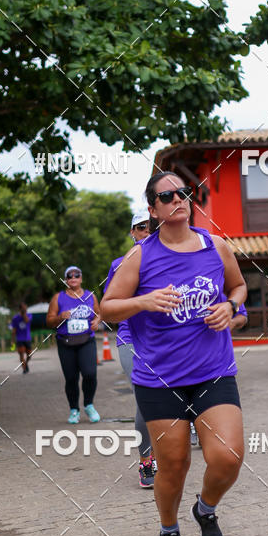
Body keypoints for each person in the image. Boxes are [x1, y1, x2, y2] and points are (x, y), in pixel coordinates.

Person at [101, 172, 247, 536]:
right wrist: (144, 301)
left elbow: (238, 287)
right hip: (160, 380)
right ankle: (168, 528)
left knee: (229, 455)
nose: (178, 199)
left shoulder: (215, 246)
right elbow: (107, 307)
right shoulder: (140, 256)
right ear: (153, 209)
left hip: (213, 370)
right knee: (175, 463)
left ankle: (206, 509)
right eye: (167, 196)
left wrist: (229, 307)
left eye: (184, 193)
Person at [104, 209, 156, 488]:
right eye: (140, 227)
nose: (146, 231)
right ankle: (146, 461)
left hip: (165, 339)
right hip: (131, 339)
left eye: (149, 226)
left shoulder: (170, 259)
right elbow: (109, 306)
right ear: (132, 233)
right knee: (144, 399)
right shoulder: (120, 264)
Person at [46, 266, 101, 423]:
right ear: (66, 280)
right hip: (66, 343)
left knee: (90, 374)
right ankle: (74, 410)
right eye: (70, 276)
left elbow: (99, 313)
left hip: (86, 341)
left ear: (81, 278)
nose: (73, 278)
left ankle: (89, 405)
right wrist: (60, 317)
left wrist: (97, 320)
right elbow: (49, 321)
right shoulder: (59, 298)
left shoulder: (90, 295)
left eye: (77, 275)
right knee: (71, 378)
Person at [190, 302, 248, 448]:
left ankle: (203, 431)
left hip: (215, 365)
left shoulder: (221, 284)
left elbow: (242, 315)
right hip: (179, 365)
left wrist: (231, 322)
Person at [10, 302, 32, 373]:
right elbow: (14, 330)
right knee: (21, 354)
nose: (25, 309)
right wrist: (12, 340)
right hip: (19, 339)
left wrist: (24, 314)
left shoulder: (29, 315)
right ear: (20, 309)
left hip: (27, 338)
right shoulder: (15, 318)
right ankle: (24, 369)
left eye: (25, 308)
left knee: (30, 354)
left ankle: (26, 363)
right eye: (23, 308)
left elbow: (26, 321)